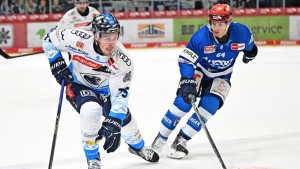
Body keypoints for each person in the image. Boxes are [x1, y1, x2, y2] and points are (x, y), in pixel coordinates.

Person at [42, 13, 159, 169]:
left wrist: (114, 122)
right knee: (91, 110)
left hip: (106, 91)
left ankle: (139, 147)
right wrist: (56, 63)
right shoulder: (78, 38)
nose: (111, 43)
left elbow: (120, 96)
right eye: (106, 38)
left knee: (126, 122)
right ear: (96, 35)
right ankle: (93, 159)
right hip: (78, 84)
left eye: (114, 37)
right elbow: (49, 40)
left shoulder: (123, 60)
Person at [151, 3, 258, 159]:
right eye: (213, 23)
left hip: (223, 75)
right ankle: (160, 139)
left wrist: (249, 55)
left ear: (228, 22)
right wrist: (187, 80)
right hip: (200, 70)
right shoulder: (201, 37)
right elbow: (186, 60)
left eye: (220, 24)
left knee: (210, 106)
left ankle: (182, 140)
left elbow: (250, 48)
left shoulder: (242, 33)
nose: (216, 27)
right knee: (183, 102)